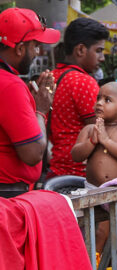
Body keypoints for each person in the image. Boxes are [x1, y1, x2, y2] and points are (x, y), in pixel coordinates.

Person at [71, 81, 117, 252]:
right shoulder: (89, 129)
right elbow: (76, 155)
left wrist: (106, 141)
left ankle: (104, 260)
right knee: (90, 230)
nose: (99, 102)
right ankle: (91, 260)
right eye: (98, 98)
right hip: (92, 190)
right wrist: (92, 141)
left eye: (107, 100)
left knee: (111, 231)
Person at [0, 8, 60, 198]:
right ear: (19, 49)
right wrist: (41, 110)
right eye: (35, 45)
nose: (37, 52)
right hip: (9, 197)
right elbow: (33, 154)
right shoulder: (10, 85)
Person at [48, 18, 109, 178]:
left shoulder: (52, 77)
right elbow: (101, 133)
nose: (102, 58)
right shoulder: (83, 82)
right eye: (99, 50)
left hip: (56, 170)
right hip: (81, 174)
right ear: (81, 49)